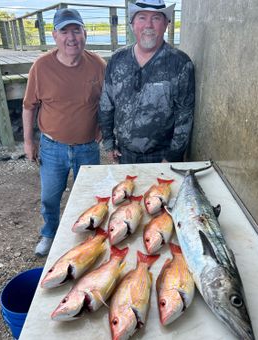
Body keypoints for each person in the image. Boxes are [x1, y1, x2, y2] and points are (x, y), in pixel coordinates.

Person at [22, 8, 106, 256]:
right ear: (54, 36)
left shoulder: (98, 65)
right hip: (52, 146)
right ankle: (49, 232)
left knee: (90, 196)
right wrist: (28, 142)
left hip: (88, 146)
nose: (72, 38)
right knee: (50, 196)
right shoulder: (41, 66)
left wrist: (102, 131)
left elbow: (108, 103)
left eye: (76, 30)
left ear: (85, 33)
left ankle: (87, 235)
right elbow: (29, 107)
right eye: (65, 31)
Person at [98, 0, 195, 164]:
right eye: (142, 18)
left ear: (166, 24)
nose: (148, 25)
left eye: (156, 18)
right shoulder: (117, 59)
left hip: (162, 156)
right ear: (132, 24)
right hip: (124, 153)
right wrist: (109, 142)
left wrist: (173, 156)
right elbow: (106, 103)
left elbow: (184, 114)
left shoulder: (180, 63)